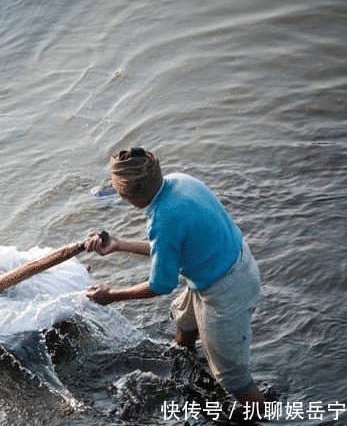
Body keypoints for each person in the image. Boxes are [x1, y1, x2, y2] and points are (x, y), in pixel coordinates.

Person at [84, 147, 266, 406]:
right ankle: (185, 365)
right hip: (237, 263)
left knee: (232, 377)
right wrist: (118, 244)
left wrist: (112, 296)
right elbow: (170, 249)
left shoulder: (163, 219)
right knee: (183, 319)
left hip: (226, 291)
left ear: (130, 196)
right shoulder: (180, 181)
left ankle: (263, 415)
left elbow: (161, 284)